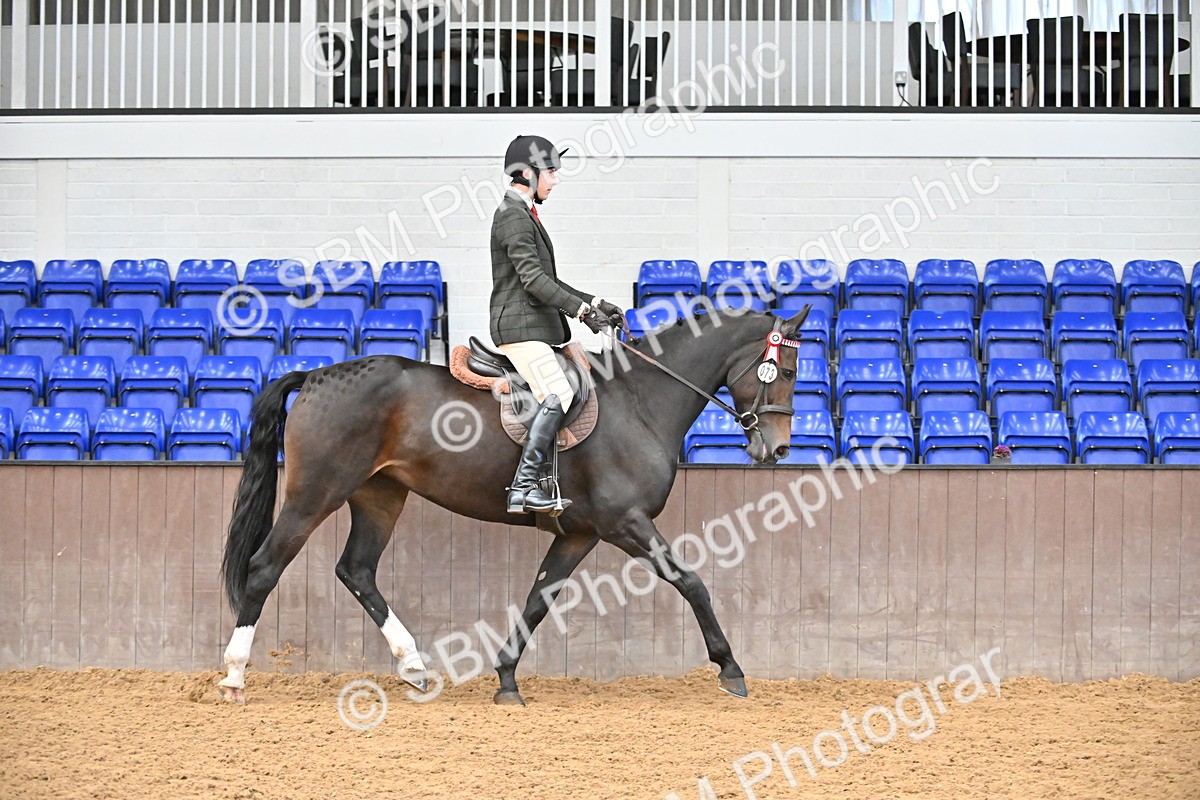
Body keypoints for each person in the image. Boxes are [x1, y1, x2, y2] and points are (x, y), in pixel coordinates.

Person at [490, 134, 625, 515]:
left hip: (533, 326)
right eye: (550, 171)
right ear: (527, 173)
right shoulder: (512, 216)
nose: (555, 179)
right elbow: (533, 281)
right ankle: (524, 487)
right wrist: (581, 313)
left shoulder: (525, 213)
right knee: (560, 393)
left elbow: (548, 279)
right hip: (519, 329)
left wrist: (595, 303)